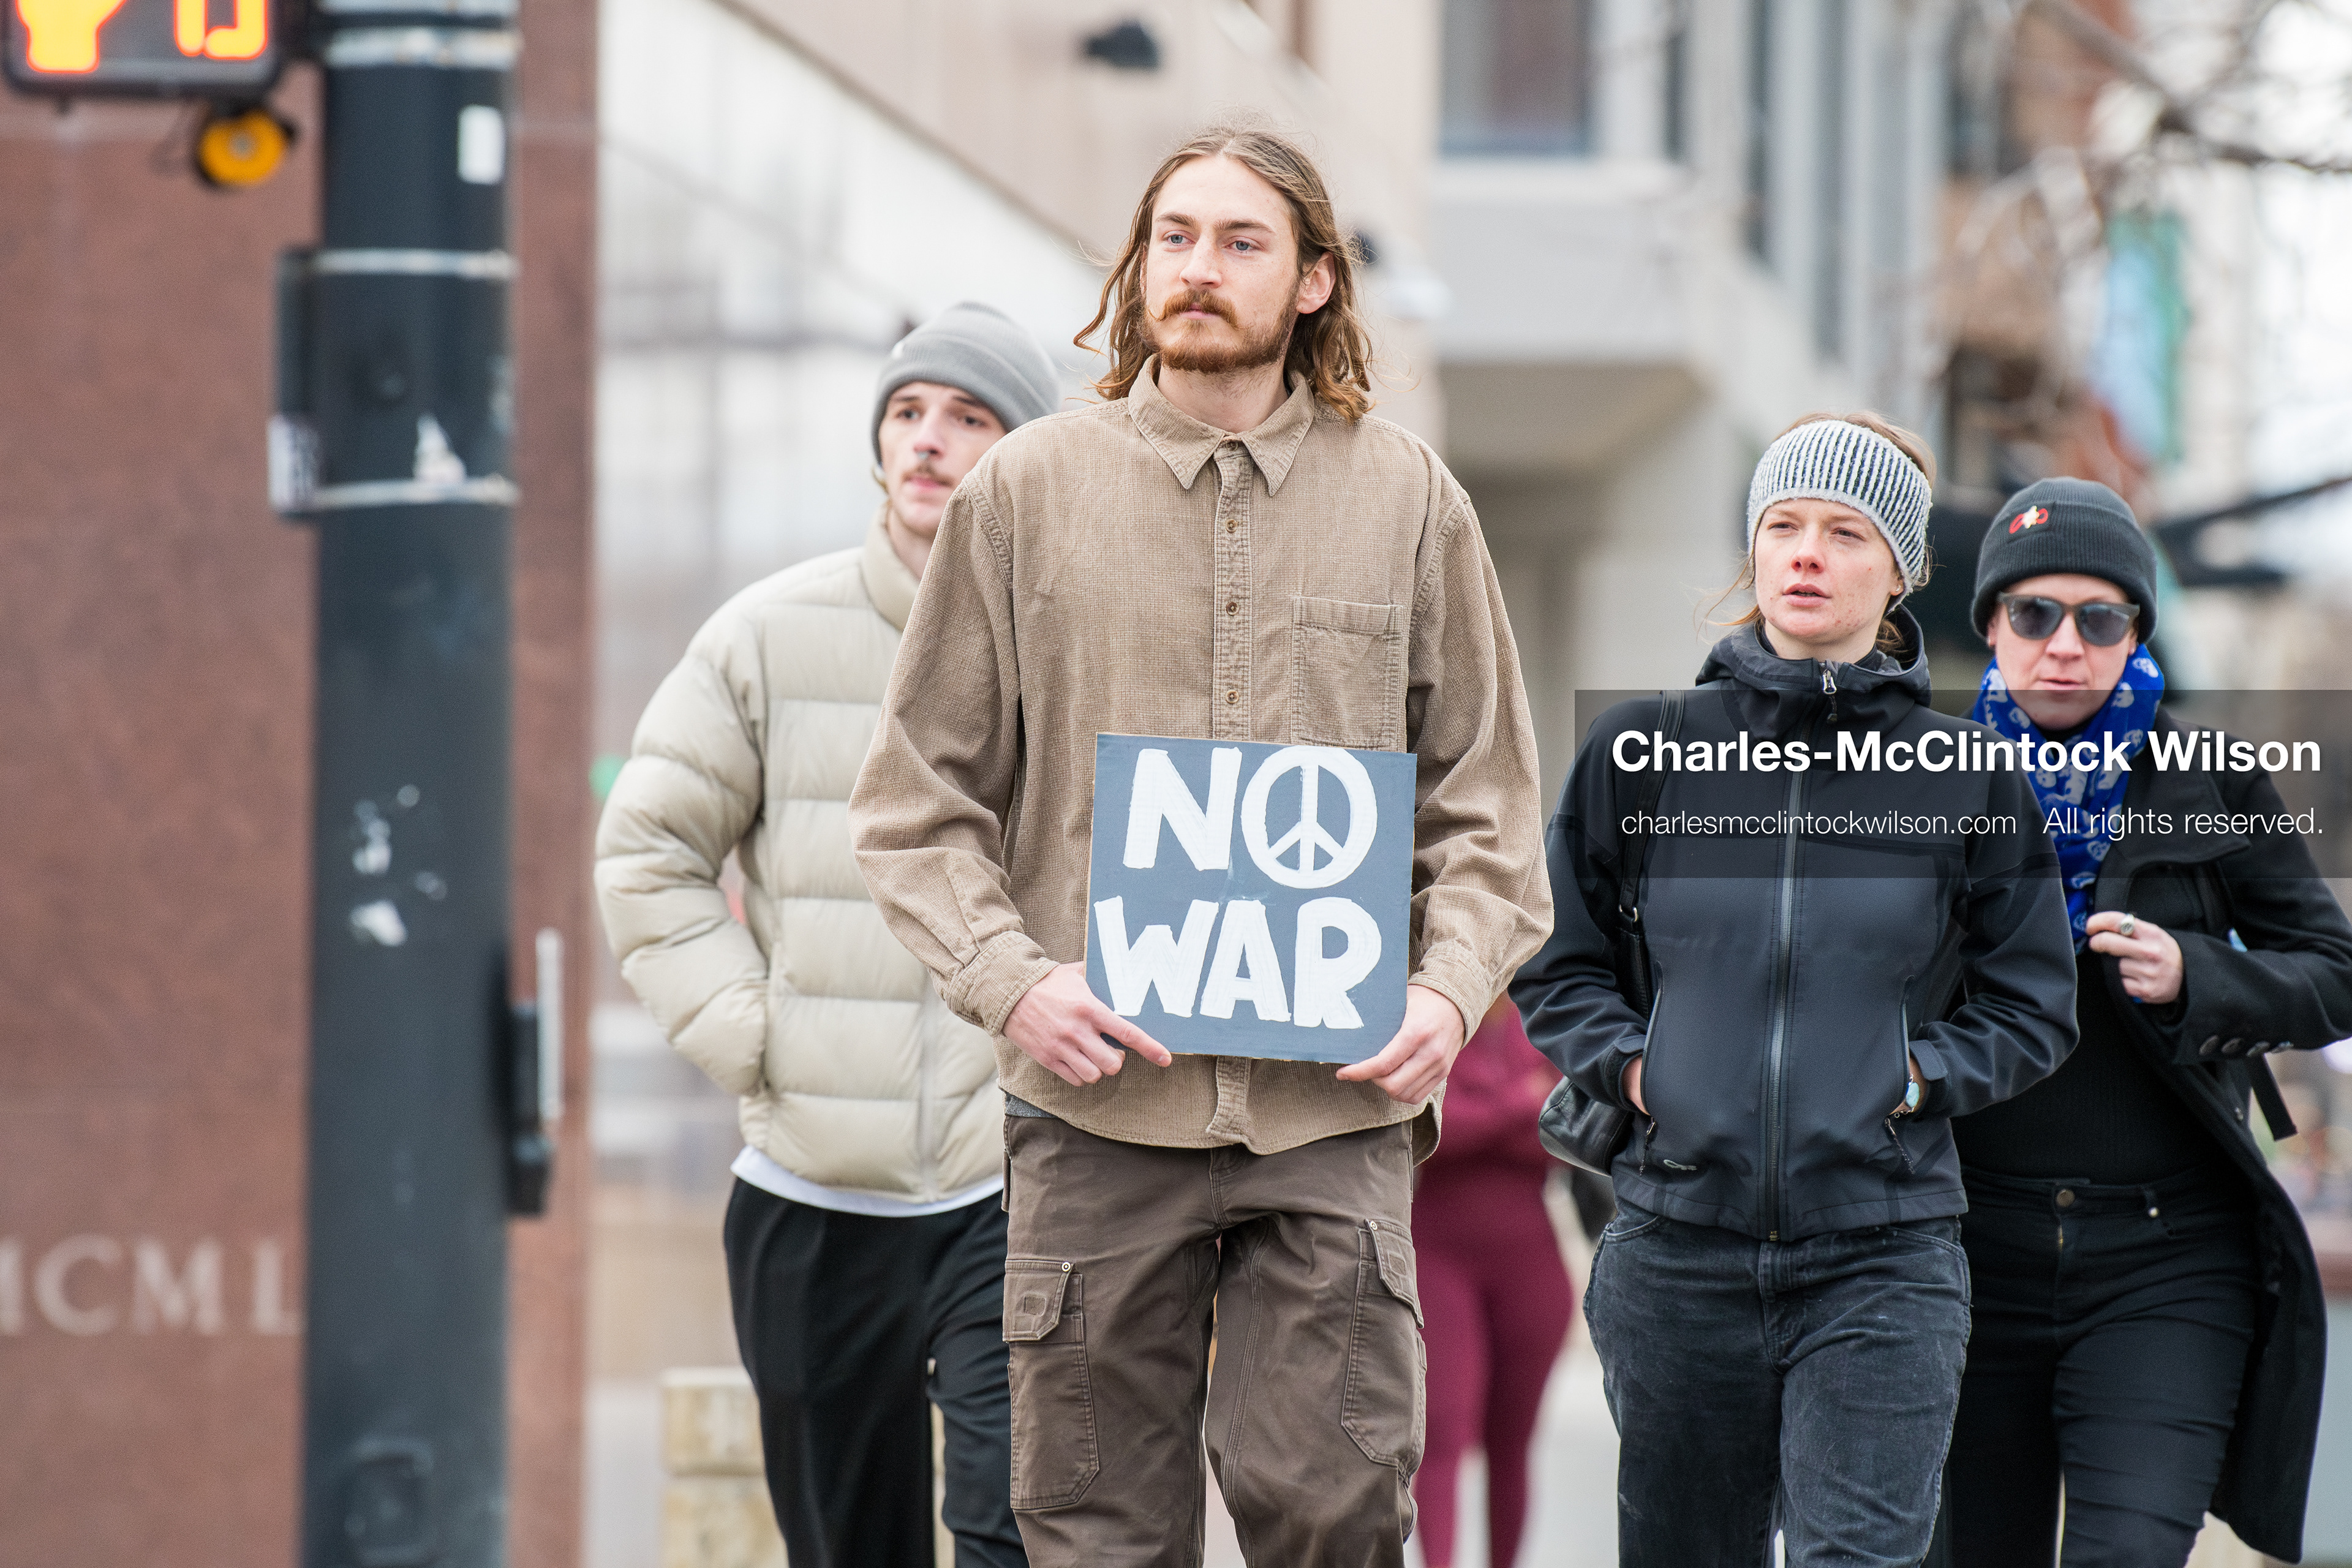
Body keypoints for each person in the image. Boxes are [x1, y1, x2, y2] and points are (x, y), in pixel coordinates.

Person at [848, 124, 1550, 1567]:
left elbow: (1487, 807)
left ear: (1309, 281)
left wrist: (1443, 989)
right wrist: (1011, 978)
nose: (1197, 270)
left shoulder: (1410, 500)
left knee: (1336, 1516)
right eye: (1174, 238)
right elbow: (914, 802)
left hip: (1330, 1111)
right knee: (1093, 1532)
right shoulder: (1023, 493)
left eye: (1239, 243)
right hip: (1096, 1109)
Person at [1513, 413, 2081, 1567]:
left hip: (1884, 1258)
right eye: (1782, 526)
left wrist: (1914, 1076)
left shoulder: (1966, 778)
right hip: (1677, 1250)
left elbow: (2034, 1007)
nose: (1806, 553)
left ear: (1903, 569)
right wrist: (1637, 1067)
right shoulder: (1645, 754)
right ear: (1753, 551)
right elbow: (1554, 964)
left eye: (1845, 531)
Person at [594, 301, 1062, 1568]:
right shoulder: (764, 635)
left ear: (1025, 455)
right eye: (909, 413)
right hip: (813, 1184)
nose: (929, 441)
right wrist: (760, 1037)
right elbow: (649, 854)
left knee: (1012, 1530)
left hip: (1014, 1176)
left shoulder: (1078, 653)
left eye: (969, 418)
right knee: (848, 1543)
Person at [1942, 478, 2352, 1567]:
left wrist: (2200, 976)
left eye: (2100, 618)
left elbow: (2335, 971)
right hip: (1966, 1251)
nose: (2064, 644)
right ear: (1991, 625)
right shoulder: (1927, 782)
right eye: (2033, 613)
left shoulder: (2211, 777)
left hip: (2170, 1261)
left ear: (2135, 633)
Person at [1411, 999, 1572, 1568]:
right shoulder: (1434, 1026)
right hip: (1436, 1259)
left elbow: (1564, 1137)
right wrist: (1520, 1103)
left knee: (1513, 1443)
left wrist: (1484, 1112)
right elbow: (1432, 1128)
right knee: (1440, 1433)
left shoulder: (1543, 1032)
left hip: (1532, 1268)